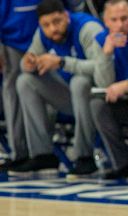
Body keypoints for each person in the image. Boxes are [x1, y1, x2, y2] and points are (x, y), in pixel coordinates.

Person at [12, 0, 103, 180]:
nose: (52, 28)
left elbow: (102, 68)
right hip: (70, 97)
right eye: (46, 25)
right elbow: (28, 60)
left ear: (66, 16)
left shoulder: (88, 28)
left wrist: (62, 62)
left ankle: (84, 156)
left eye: (57, 21)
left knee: (79, 82)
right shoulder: (43, 34)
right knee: (25, 81)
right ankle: (43, 155)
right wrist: (28, 64)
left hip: (98, 97)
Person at [90, 0, 128, 181]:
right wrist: (107, 53)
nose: (120, 24)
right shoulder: (101, 41)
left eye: (125, 18)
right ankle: (123, 163)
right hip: (124, 105)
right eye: (114, 19)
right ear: (105, 21)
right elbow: (103, 83)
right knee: (97, 105)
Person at [0, 0, 40, 174]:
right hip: (12, 40)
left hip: (46, 37)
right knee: (13, 94)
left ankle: (42, 152)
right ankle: (19, 153)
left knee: (43, 92)